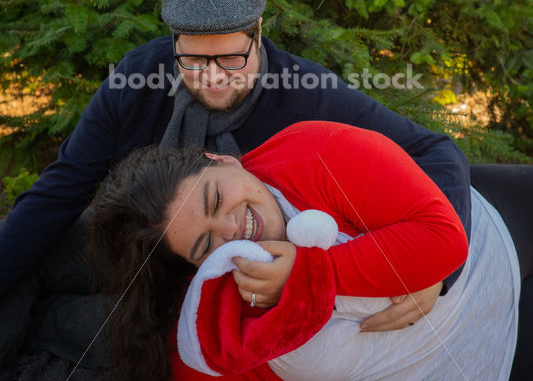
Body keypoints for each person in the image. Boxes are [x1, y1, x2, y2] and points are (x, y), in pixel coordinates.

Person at [0, 0, 468, 372]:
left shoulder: (309, 93)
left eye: (231, 57)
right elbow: (58, 191)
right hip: (134, 235)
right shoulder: (135, 78)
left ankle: (43, 324)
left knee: (107, 331)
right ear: (173, 43)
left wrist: (437, 273)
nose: (215, 75)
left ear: (258, 31)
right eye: (194, 59)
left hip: (196, 283)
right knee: (28, 258)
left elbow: (436, 150)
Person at [89, 121, 522, 381]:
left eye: (216, 200)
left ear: (222, 161)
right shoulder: (220, 307)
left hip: (498, 239)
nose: (233, 227)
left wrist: (311, 273)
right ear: (195, 269)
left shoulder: (315, 151)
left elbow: (443, 239)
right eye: (206, 244)